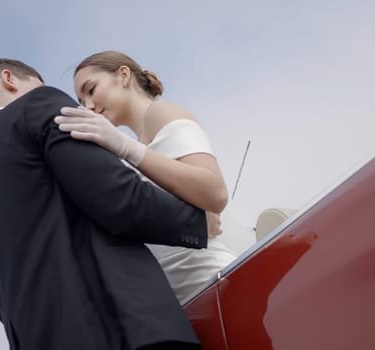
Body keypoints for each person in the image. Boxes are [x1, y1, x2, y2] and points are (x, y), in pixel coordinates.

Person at [0, 58, 221, 350]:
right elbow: (114, 196)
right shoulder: (38, 105)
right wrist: (195, 222)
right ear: (10, 79)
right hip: (122, 329)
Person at [54, 51, 237, 302]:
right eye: (81, 101)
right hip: (182, 304)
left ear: (123, 75)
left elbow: (215, 193)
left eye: (91, 90)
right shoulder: (129, 146)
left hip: (216, 285)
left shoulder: (160, 112)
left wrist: (126, 147)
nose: (88, 106)